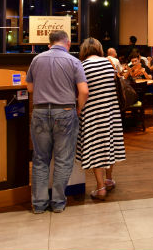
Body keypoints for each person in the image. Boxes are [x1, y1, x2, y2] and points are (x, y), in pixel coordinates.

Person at [25, 30, 88, 214]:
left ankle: (39, 204)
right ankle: (58, 202)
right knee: (63, 159)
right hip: (66, 111)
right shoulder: (73, 61)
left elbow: (29, 88)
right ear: (67, 43)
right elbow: (84, 91)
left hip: (40, 111)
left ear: (49, 43)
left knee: (40, 159)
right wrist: (78, 108)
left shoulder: (37, 60)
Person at [77, 38, 126, 201]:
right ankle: (109, 179)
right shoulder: (108, 64)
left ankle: (100, 188)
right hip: (111, 111)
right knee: (109, 144)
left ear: (84, 50)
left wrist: (78, 109)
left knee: (96, 148)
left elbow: (83, 92)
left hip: (92, 113)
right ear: (99, 49)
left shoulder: (83, 66)